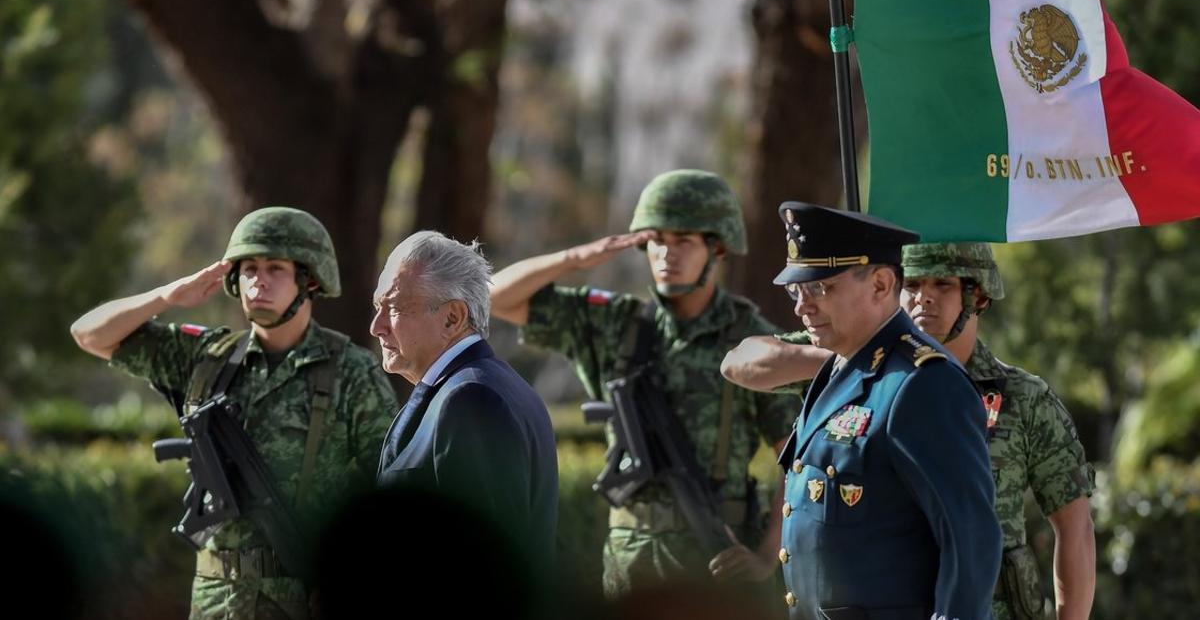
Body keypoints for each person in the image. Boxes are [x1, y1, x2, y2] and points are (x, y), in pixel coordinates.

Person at [725, 242, 1096, 620]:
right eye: (914, 285)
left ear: (978, 296)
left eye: (942, 285)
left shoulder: (1025, 397)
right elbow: (739, 361)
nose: (924, 299)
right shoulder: (843, 367)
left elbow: (1074, 528)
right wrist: (850, 363)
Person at [69, 206, 397, 620]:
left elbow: (390, 482)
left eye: (275, 268)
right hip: (214, 600)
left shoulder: (351, 371)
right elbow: (88, 334)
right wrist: (167, 297)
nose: (258, 280)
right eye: (249, 269)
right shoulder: (208, 357)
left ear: (309, 279)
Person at [489, 169, 802, 598]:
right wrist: (575, 260)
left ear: (719, 248)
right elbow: (492, 298)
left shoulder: (752, 340)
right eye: (655, 241)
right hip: (629, 557)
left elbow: (796, 455)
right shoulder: (617, 323)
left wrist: (768, 556)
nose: (665, 255)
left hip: (715, 555)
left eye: (683, 242)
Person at [766, 201, 1001, 620]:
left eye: (820, 288)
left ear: (879, 284)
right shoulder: (840, 365)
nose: (802, 307)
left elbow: (970, 542)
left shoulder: (923, 383)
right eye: (795, 290)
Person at [373, 230, 558, 569]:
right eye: (377, 307)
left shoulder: (471, 400)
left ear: (452, 318)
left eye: (394, 307)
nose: (377, 326)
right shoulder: (473, 388)